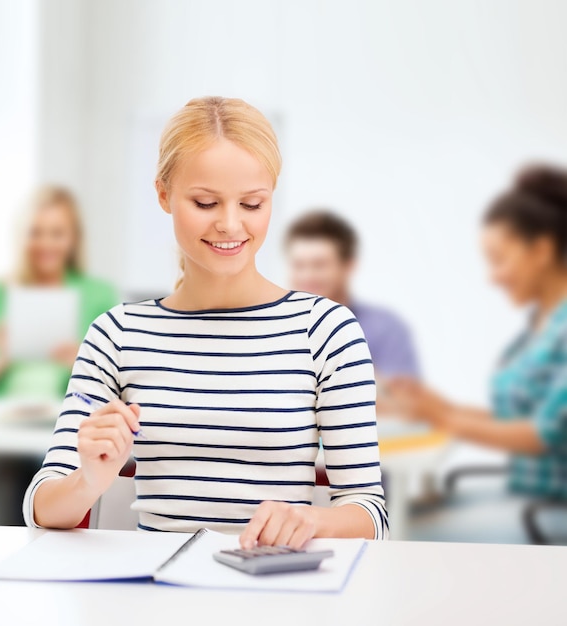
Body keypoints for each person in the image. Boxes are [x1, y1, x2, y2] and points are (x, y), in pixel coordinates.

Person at [24, 97, 388, 546]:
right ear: (163, 194)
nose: (230, 225)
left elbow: (369, 510)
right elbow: (41, 507)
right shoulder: (115, 334)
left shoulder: (326, 331)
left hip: (276, 594)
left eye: (252, 204)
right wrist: (89, 481)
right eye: (205, 202)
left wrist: (312, 522)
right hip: (154, 599)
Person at [388, 164, 567, 503]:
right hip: (527, 504)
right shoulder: (537, 328)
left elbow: (540, 435)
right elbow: (512, 418)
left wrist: (442, 419)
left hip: (549, 516)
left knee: (403, 530)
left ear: (541, 251)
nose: (493, 278)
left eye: (499, 260)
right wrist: (437, 405)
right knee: (408, 517)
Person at [0, 185, 118, 523]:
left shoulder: (97, 295)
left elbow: (114, 386)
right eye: (36, 232)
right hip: (2, 433)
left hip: (68, 430)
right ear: (22, 236)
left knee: (59, 472)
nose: (46, 243)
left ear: (73, 239)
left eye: (57, 233)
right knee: (3, 466)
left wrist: (83, 361)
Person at [285, 210, 420, 380]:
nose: (307, 276)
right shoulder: (275, 328)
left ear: (348, 266)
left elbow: (401, 400)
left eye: (319, 265)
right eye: (299, 265)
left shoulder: (384, 329)